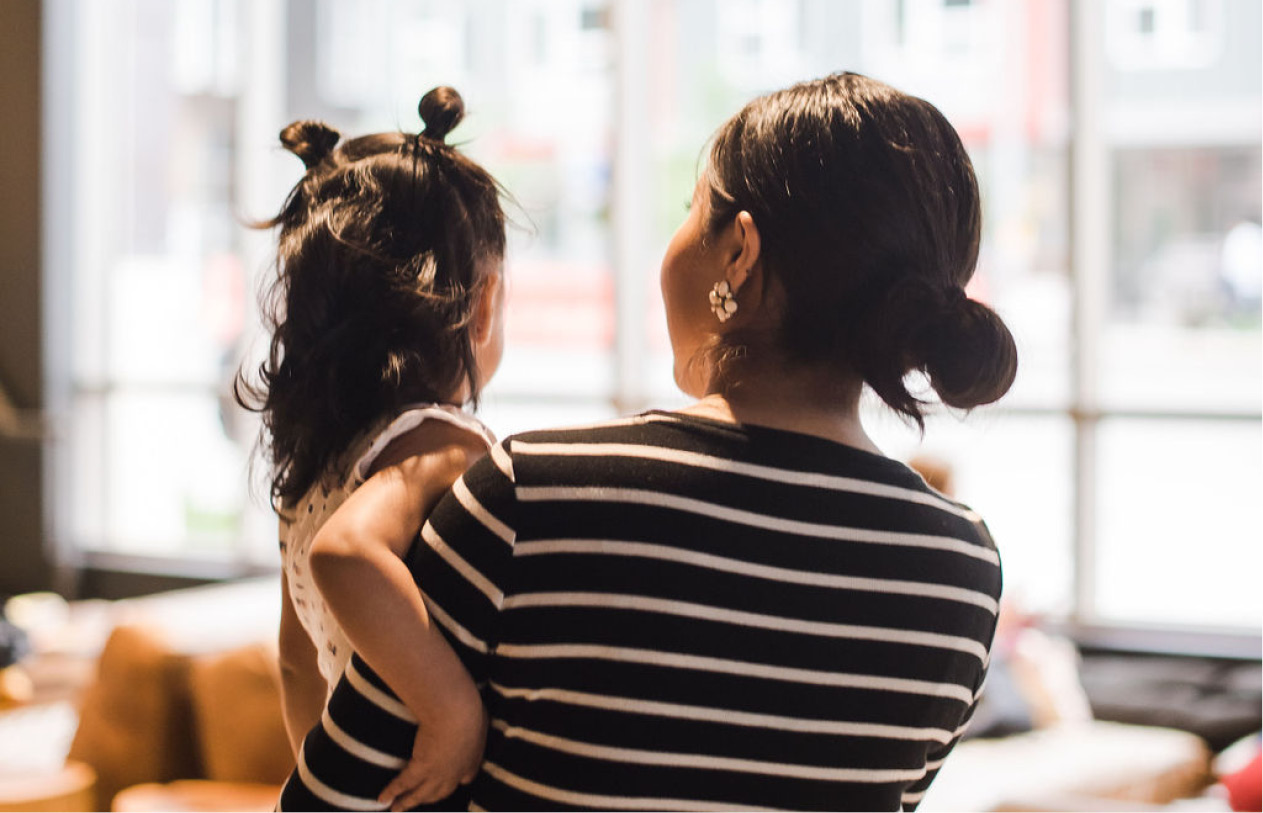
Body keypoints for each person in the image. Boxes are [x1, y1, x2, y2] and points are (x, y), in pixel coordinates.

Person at [301, 71, 1017, 811]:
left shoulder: (532, 494)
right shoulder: (960, 574)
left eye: (689, 210)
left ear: (739, 251)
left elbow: (333, 800)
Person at [234, 87, 508, 809]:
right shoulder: (439, 445)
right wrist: (452, 713)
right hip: (432, 779)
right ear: (482, 305)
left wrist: (326, 779)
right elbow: (347, 556)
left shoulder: (316, 467)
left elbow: (297, 663)